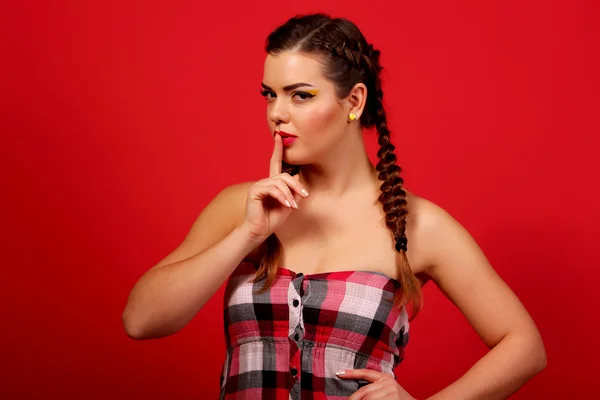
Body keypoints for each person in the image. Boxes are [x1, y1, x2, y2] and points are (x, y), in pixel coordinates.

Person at [122, 13, 546, 400]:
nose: (276, 113)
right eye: (270, 94)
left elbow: (525, 347)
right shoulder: (242, 207)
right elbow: (140, 321)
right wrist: (247, 236)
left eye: (300, 95)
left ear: (354, 102)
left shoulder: (415, 225)